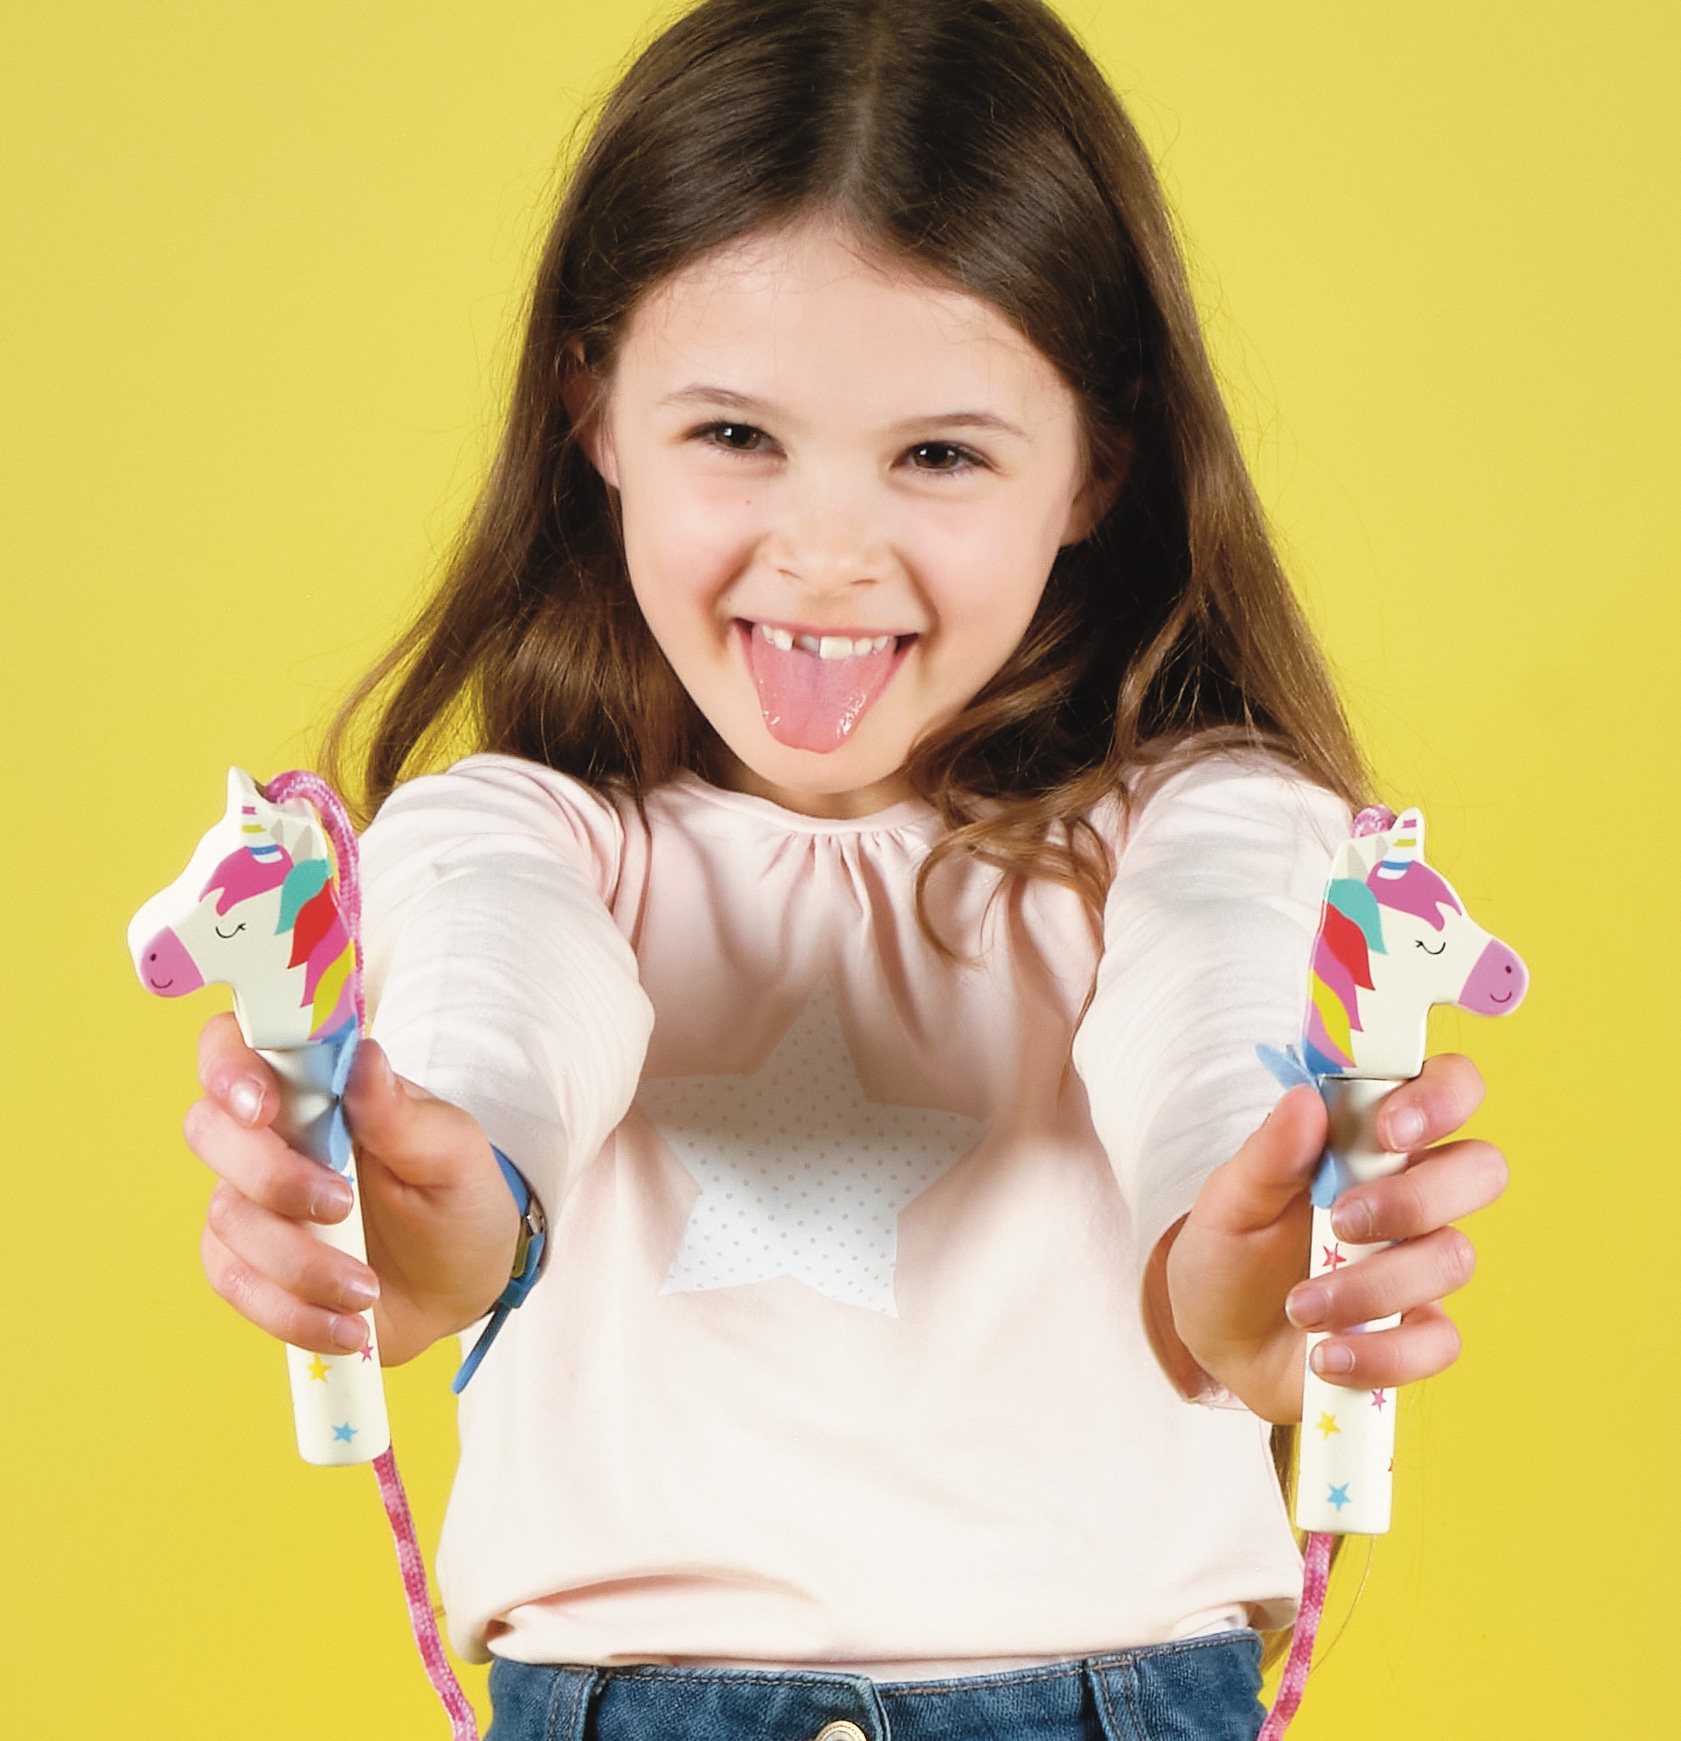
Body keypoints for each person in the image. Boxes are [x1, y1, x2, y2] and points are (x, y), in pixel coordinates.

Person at [182, 2, 1508, 1736]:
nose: (821, 553)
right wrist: (436, 1218)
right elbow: (505, 1001)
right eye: (734, 435)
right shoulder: (513, 835)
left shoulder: (1205, 827)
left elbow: (1215, 999)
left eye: (939, 455)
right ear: (592, 405)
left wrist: (1244, 1254)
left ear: (1096, 462)